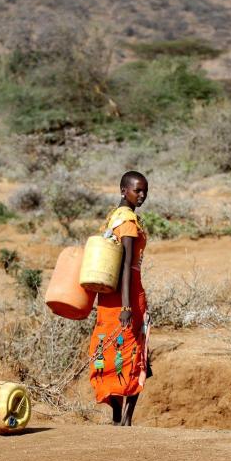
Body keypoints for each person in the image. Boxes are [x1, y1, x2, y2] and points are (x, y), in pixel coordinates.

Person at [87, 170, 150, 426]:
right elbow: (125, 265)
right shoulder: (128, 222)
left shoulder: (112, 218)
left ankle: (117, 416)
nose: (142, 195)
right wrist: (127, 305)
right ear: (123, 190)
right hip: (128, 294)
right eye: (138, 190)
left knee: (109, 349)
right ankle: (125, 419)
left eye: (145, 190)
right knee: (135, 351)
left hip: (108, 296)